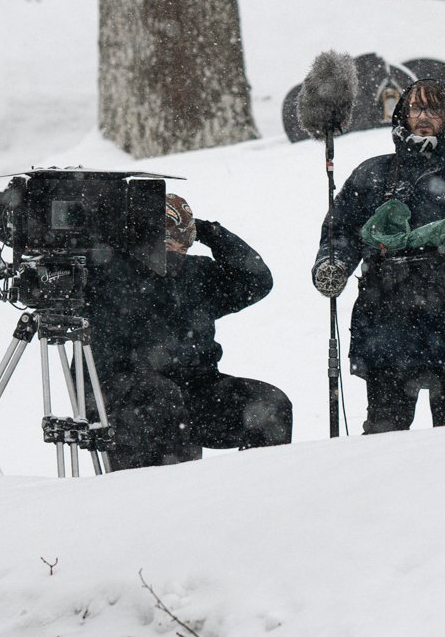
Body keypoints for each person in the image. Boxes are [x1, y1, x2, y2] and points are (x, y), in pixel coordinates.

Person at [311, 79, 445, 431]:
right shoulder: (375, 173)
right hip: (389, 320)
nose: (423, 116)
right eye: (415, 107)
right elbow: (341, 230)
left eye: (435, 108)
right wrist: (331, 263)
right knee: (385, 435)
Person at [89, 194, 292, 469]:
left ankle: (256, 495)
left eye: (184, 246)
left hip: (196, 388)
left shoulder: (196, 274)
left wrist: (210, 232)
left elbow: (256, 280)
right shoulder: (109, 273)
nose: (178, 254)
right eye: (170, 244)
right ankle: (180, 497)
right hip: (123, 396)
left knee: (270, 404)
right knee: (163, 398)